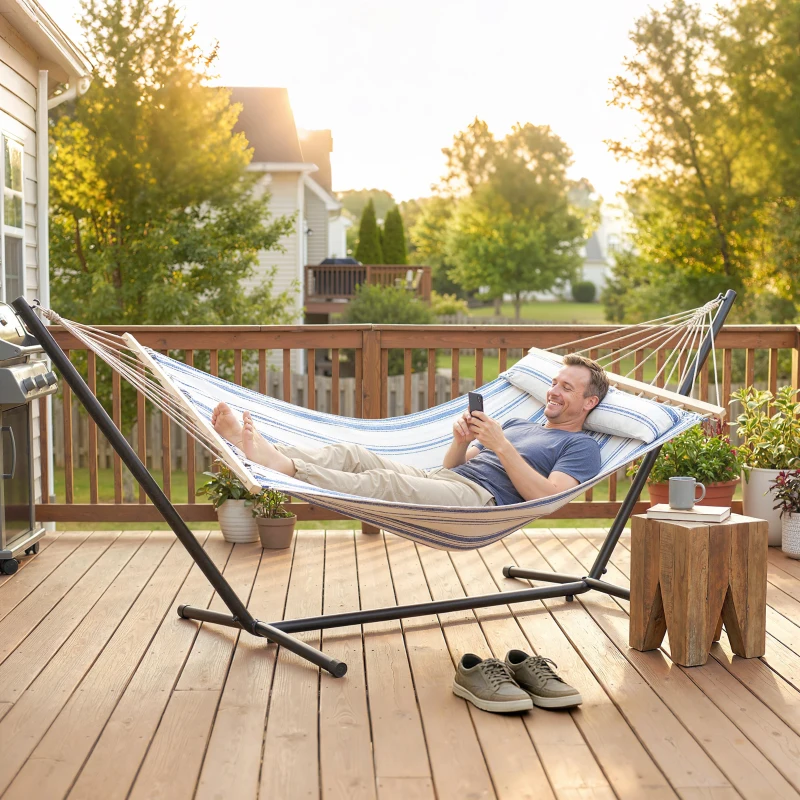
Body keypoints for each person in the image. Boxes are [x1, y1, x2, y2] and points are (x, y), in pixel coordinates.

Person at [210, 354, 608, 508]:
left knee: (383, 482)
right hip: (448, 478)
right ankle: (270, 451)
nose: (553, 391)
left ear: (589, 403)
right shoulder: (521, 423)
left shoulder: (581, 446)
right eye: (555, 383)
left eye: (566, 388)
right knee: (354, 455)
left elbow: (547, 498)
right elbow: (457, 466)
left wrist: (502, 447)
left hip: (479, 501)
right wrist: (461, 442)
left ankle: (283, 468)